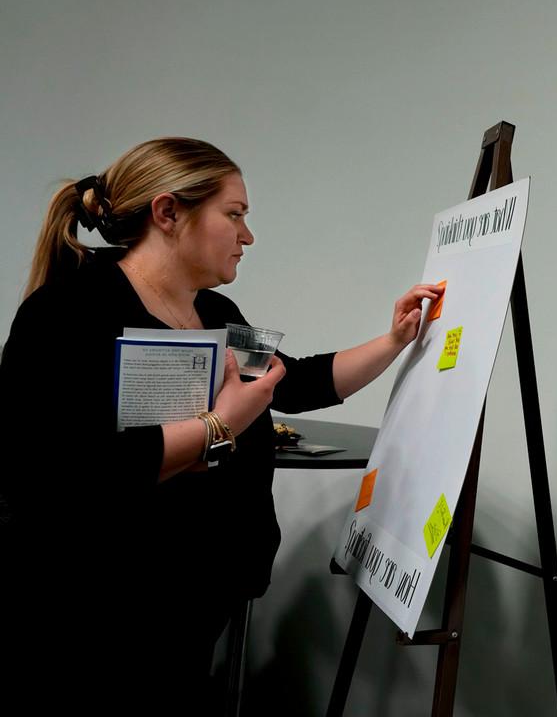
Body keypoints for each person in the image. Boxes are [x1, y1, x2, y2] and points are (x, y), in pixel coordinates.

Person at [0, 137, 442, 713]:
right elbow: (71, 472)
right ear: (168, 213)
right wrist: (221, 424)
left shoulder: (215, 314)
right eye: (234, 215)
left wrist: (394, 340)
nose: (247, 235)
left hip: (190, 614)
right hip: (91, 622)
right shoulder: (68, 314)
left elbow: (291, 382)